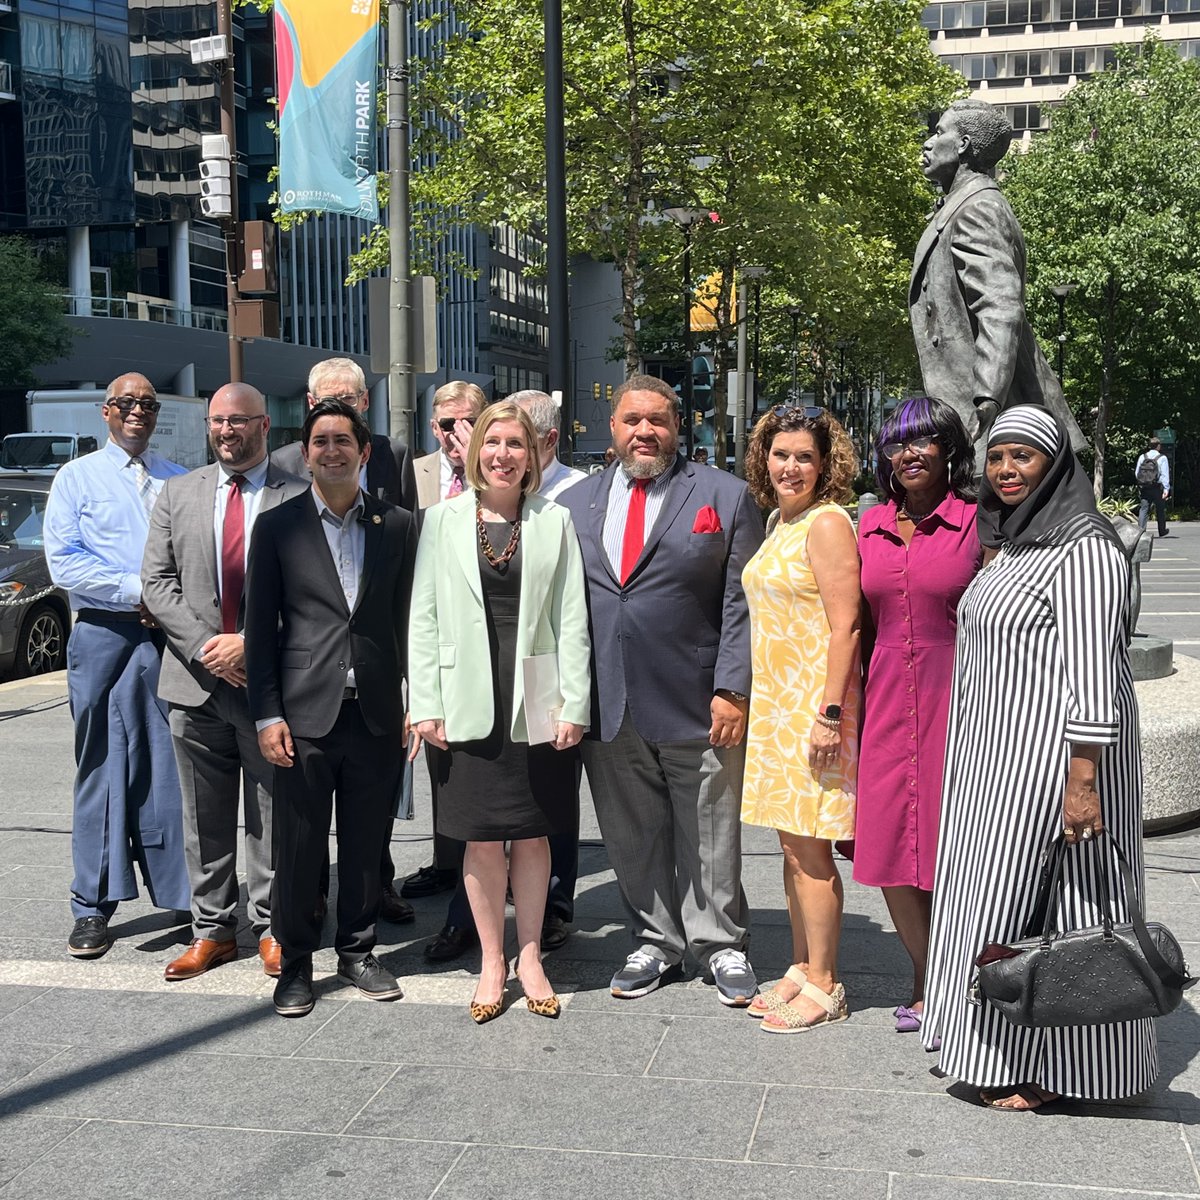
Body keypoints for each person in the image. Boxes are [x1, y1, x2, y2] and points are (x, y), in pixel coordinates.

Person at [923, 404, 1154, 1110]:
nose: (1007, 470)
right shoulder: (1020, 544)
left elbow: (1092, 675)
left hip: (1052, 768)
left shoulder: (1085, 547)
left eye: (1024, 456)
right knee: (997, 909)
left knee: (1067, 915)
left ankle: (1065, 1070)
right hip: (995, 765)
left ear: (1055, 465)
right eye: (998, 457)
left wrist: (1081, 783)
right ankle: (993, 1052)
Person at [560, 374, 764, 1006]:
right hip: (609, 699)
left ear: (679, 425)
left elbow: (741, 603)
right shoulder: (575, 503)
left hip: (699, 698)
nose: (645, 431)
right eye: (631, 420)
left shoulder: (725, 497)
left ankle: (720, 942)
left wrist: (732, 687)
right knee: (630, 830)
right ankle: (655, 938)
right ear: (612, 427)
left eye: (658, 419)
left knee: (709, 827)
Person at [408, 401, 590, 1023]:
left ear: (534, 453)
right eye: (493, 442)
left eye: (516, 443)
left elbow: (573, 618)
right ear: (475, 450)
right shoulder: (441, 521)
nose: (504, 455)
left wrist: (575, 703)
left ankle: (532, 956)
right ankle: (491, 961)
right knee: (482, 840)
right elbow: (424, 616)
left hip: (537, 696)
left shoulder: (555, 520)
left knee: (535, 831)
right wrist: (423, 704)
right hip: (464, 697)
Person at [245, 399, 418, 1018]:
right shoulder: (278, 526)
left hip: (374, 710)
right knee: (298, 846)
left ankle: (358, 951)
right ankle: (295, 965)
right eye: (320, 442)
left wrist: (414, 702)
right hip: (302, 714)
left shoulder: (396, 524)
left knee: (368, 842)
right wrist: (267, 715)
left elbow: (409, 621)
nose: (332, 451)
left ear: (364, 452)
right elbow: (259, 630)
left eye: (344, 441)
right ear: (306, 453)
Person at [141, 383, 308, 982]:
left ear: (265, 425)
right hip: (194, 684)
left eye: (239, 421)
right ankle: (211, 930)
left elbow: (317, 592)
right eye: (218, 421)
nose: (227, 431)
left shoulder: (301, 495)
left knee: (271, 815)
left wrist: (252, 645)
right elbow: (156, 584)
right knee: (202, 816)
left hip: (270, 687)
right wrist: (210, 650)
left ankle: (270, 927)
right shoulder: (177, 493)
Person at [43, 372, 190, 959]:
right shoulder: (76, 478)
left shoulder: (177, 479)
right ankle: (91, 906)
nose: (138, 412)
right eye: (127, 403)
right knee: (101, 766)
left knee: (171, 768)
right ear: (106, 412)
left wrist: (172, 606)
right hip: (104, 634)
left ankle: (185, 893)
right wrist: (140, 592)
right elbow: (64, 564)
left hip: (168, 641)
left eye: (148, 405)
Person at [272, 356, 418, 925]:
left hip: (374, 686)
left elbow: (403, 583)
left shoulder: (393, 460)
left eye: (352, 404)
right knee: (301, 832)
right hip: (307, 683)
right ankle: (301, 926)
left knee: (367, 820)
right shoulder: (283, 470)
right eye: (326, 408)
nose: (333, 444)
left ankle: (371, 900)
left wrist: (412, 692)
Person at [852, 397, 981, 1035]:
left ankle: (958, 981)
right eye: (898, 443)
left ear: (948, 449)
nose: (910, 453)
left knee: (950, 845)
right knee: (888, 844)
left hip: (958, 698)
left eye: (924, 440)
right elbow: (855, 625)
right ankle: (929, 974)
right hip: (883, 703)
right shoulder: (867, 525)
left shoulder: (978, 524)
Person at [738, 407, 861, 1033]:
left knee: (813, 848)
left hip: (814, 708)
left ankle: (827, 981)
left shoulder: (828, 522)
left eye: (804, 457)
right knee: (790, 844)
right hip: (776, 706)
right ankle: (800, 964)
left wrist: (831, 715)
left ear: (825, 464)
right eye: (780, 454)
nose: (790, 467)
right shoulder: (779, 522)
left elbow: (848, 624)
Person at [911, 99, 1083, 456]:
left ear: (963, 145)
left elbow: (1000, 306)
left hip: (991, 415)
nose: (928, 142)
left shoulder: (979, 207)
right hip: (975, 409)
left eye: (939, 132)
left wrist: (986, 398)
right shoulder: (959, 206)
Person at [404, 379, 490, 920]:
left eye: (467, 421)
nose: (455, 433)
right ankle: (445, 856)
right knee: (439, 748)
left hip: (494, 628)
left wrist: (475, 461)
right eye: (445, 423)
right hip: (432, 626)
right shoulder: (412, 474)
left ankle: (494, 858)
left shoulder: (504, 465)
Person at [272, 357, 418, 512]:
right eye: (328, 400)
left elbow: (409, 527)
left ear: (365, 400)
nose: (339, 408)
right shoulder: (283, 464)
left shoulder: (395, 455)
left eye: (348, 399)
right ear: (312, 402)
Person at [1134, 435, 1170, 538]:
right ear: (1158, 446)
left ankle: (1140, 531)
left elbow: (1137, 473)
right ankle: (1162, 530)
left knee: (1144, 509)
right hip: (1157, 487)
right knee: (1160, 509)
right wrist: (1166, 489)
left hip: (1145, 487)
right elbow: (1164, 474)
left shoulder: (1143, 457)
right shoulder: (1162, 458)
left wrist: (1143, 482)